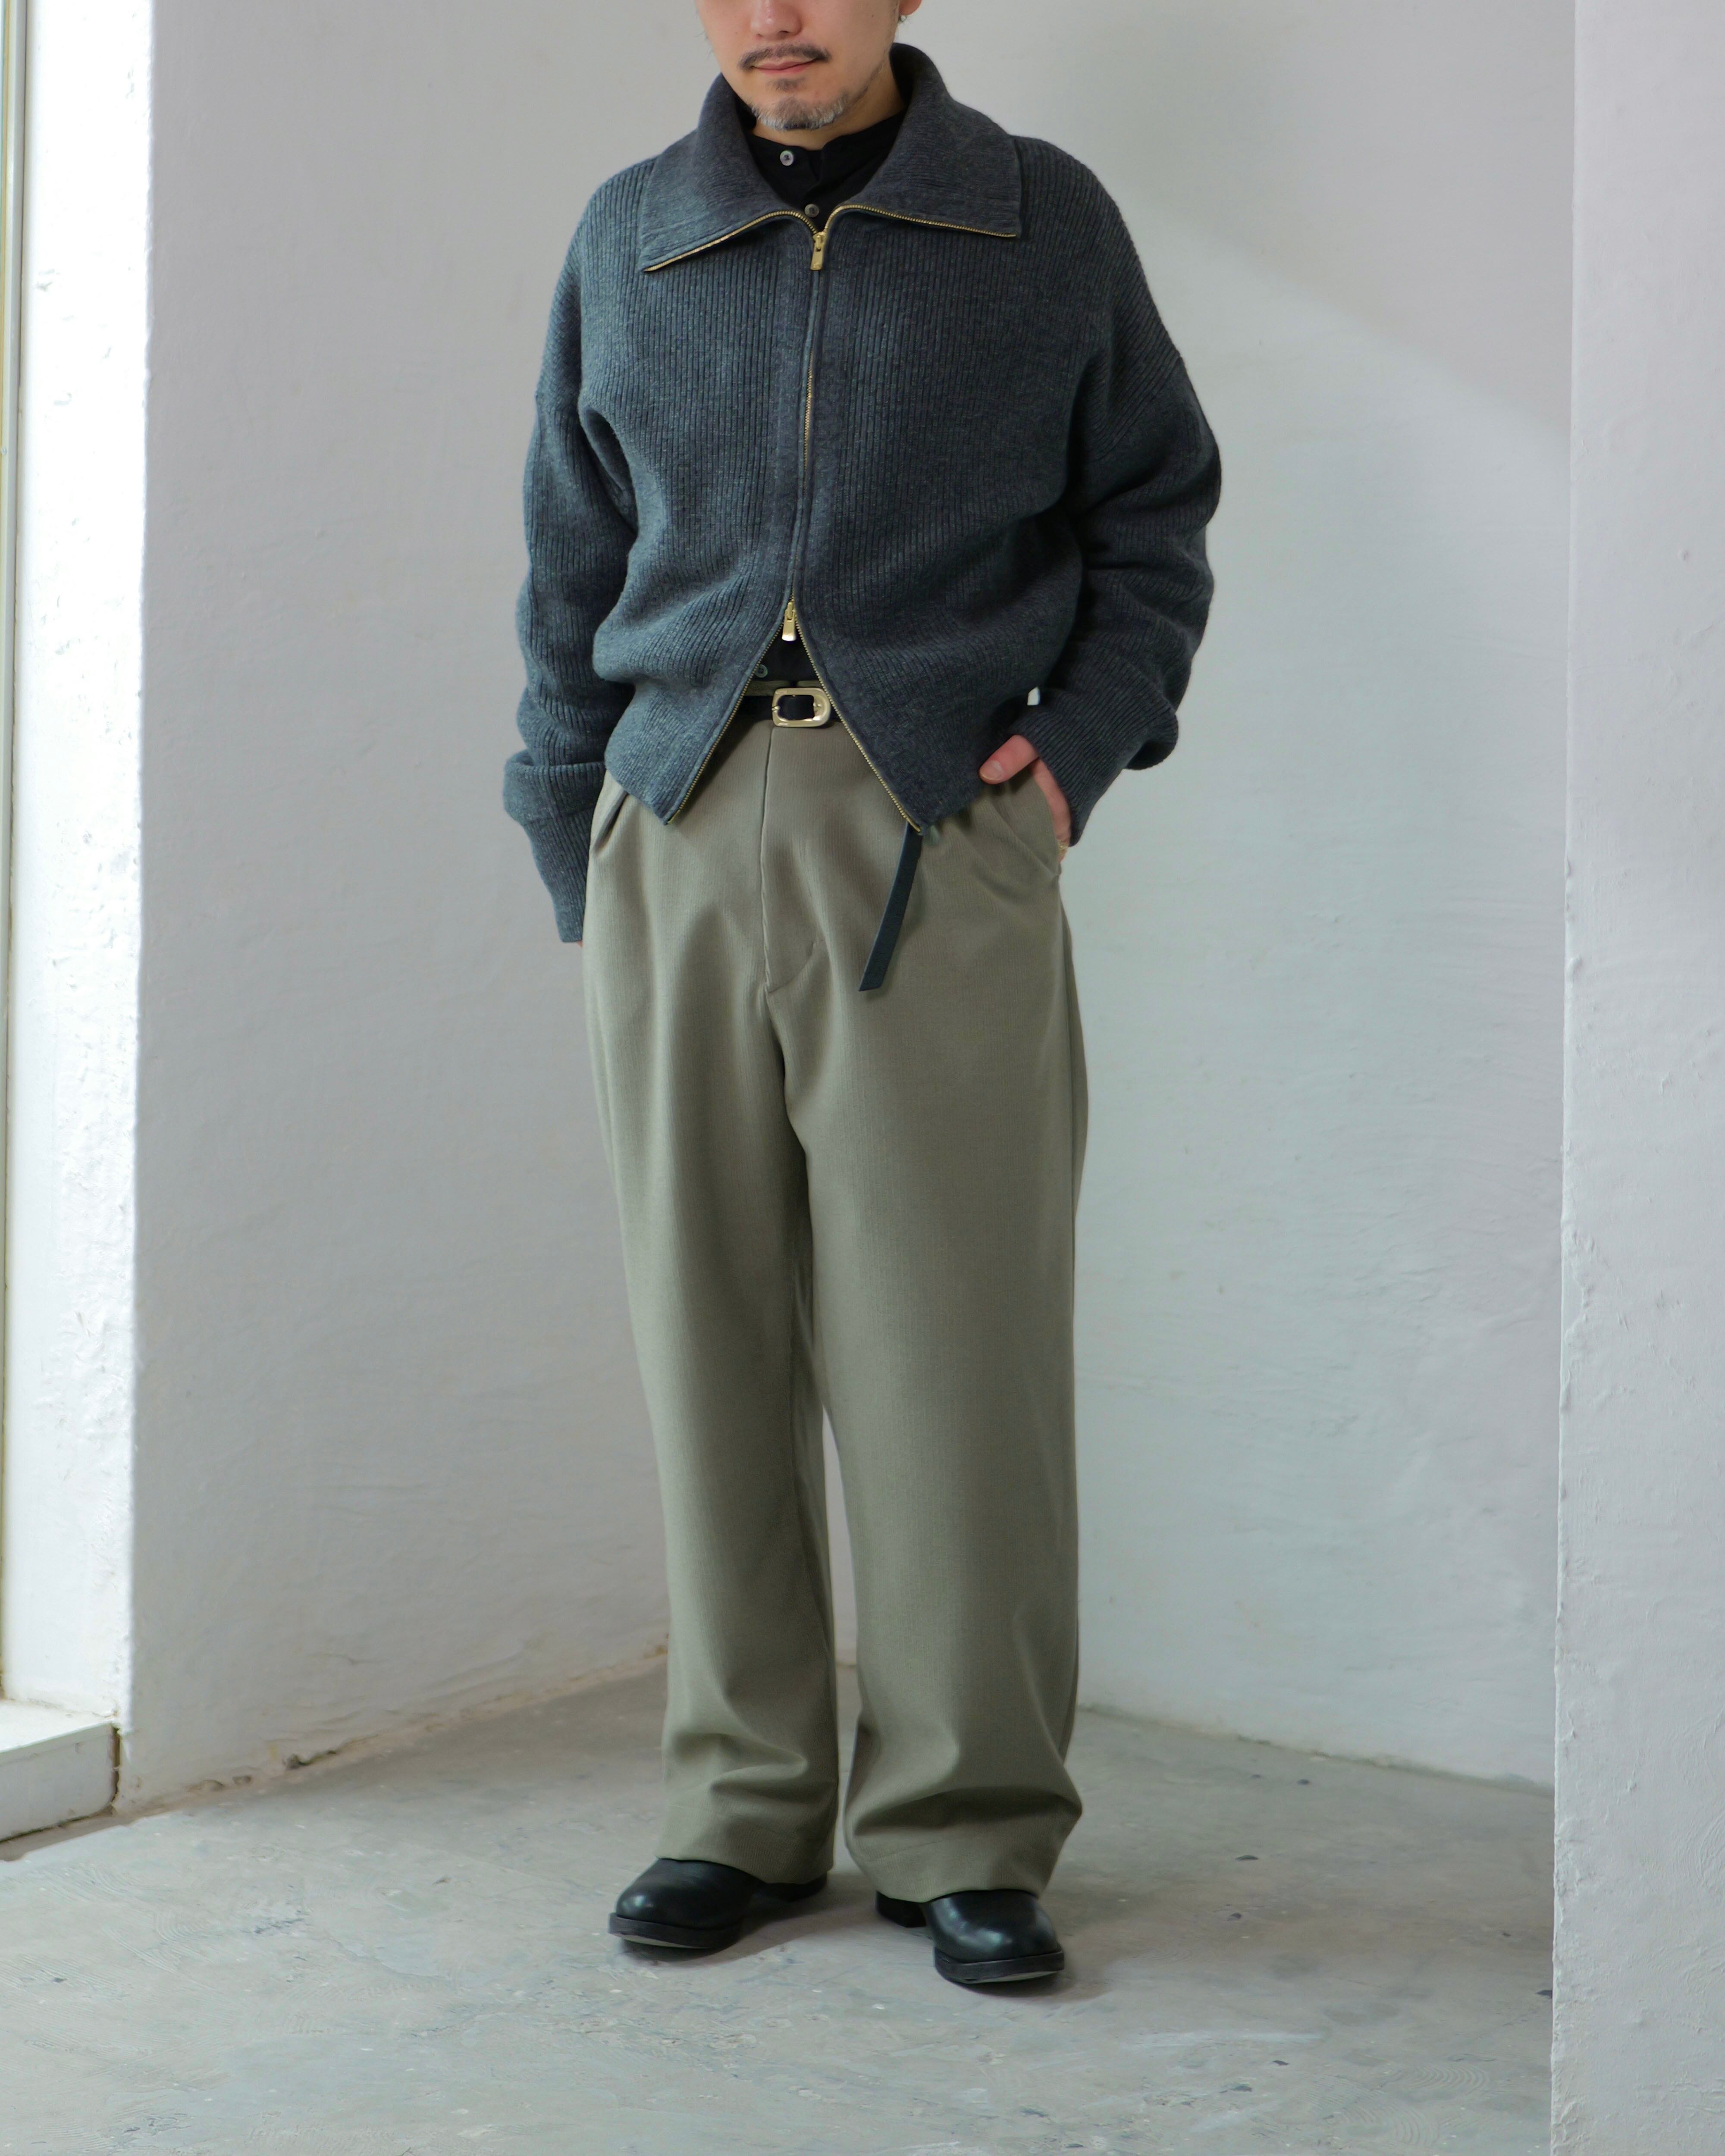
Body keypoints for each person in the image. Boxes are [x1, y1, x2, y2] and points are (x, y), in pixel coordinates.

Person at [506, 0, 1220, 1990]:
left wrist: (1066, 760)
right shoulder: (632, 233)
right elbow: (568, 562)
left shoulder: (1038, 224)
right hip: (672, 819)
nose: (775, 16)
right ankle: (741, 1805)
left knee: (952, 1353)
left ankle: (965, 1823)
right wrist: (575, 828)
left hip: (929, 831)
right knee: (706, 1335)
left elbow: (1151, 520)